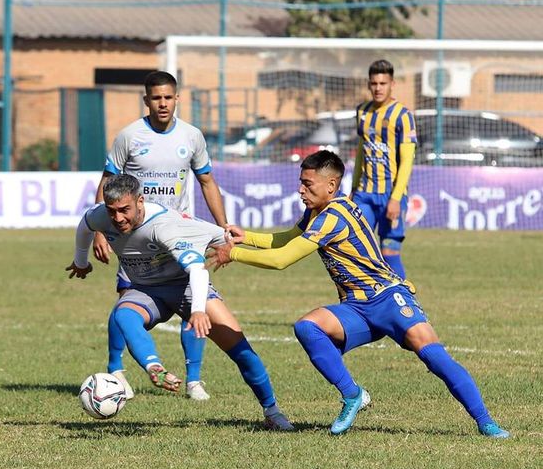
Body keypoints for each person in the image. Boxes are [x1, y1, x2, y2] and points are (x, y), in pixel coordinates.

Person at [208, 150, 509, 439]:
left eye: (307, 184)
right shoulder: (318, 210)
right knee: (307, 327)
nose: (300, 190)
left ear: (331, 185)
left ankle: (486, 423)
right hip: (356, 307)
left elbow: (282, 259)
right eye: (301, 182)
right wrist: (247, 237)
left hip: (388, 298)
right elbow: (289, 238)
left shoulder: (333, 216)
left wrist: (234, 255)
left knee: (432, 354)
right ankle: (353, 395)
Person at [66, 173, 293, 432]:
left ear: (140, 201)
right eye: (112, 211)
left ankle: (272, 410)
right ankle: (155, 368)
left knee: (239, 348)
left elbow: (197, 270)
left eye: (124, 210)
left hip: (186, 285)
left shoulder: (165, 227)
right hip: (147, 290)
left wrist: (197, 311)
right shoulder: (102, 215)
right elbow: (86, 225)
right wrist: (81, 261)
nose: (118, 219)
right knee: (123, 314)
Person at [93, 70, 227, 402]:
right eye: (156, 98)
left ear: (177, 98)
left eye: (168, 97)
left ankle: (193, 380)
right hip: (135, 237)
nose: (163, 103)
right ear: (147, 100)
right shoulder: (129, 136)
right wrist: (100, 229)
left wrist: (223, 227)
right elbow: (108, 183)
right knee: (124, 305)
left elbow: (207, 182)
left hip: (177, 236)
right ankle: (116, 372)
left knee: (191, 303)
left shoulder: (192, 136)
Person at [351, 59, 416, 279]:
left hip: (390, 194)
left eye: (382, 83)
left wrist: (396, 198)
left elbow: (407, 161)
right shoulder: (362, 112)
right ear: (369, 85)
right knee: (355, 249)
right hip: (364, 194)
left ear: (392, 84)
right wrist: (353, 188)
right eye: (374, 83)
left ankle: (405, 306)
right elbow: (361, 151)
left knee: (389, 252)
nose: (378, 88)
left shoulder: (403, 116)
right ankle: (363, 303)